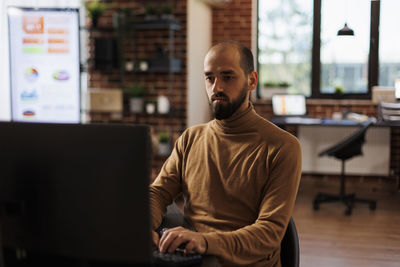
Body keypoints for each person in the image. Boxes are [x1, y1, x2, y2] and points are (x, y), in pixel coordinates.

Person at [149, 40, 302, 266]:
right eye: (210, 78)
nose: (216, 87)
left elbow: (268, 233)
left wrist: (206, 242)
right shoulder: (190, 139)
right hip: (193, 258)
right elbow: (158, 193)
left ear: (251, 80)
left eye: (227, 77)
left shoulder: (282, 147)